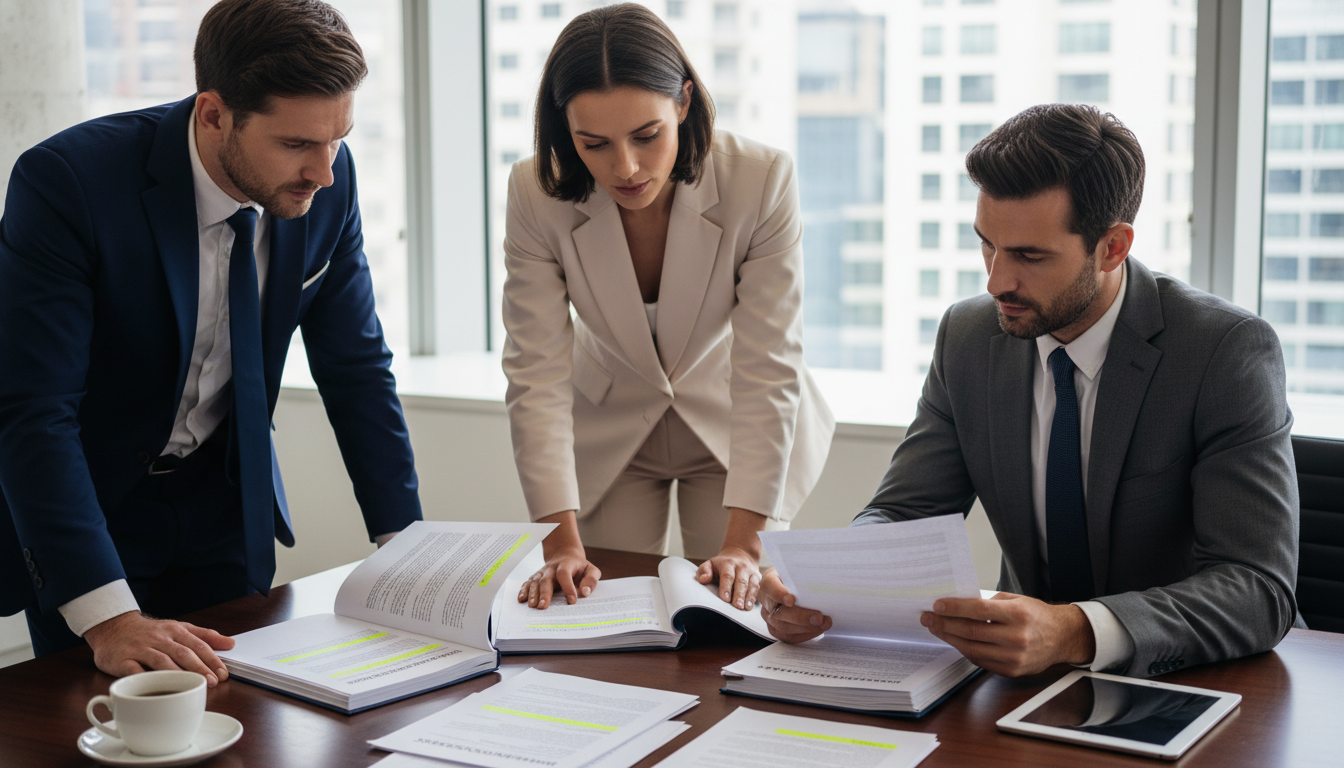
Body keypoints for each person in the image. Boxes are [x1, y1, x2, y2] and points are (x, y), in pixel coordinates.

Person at [760, 104, 1301, 678]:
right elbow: (905, 512)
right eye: (987, 244)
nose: (996, 281)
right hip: (1019, 680)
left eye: (1029, 255)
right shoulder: (968, 336)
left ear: (1113, 247)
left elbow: (1257, 588)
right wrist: (822, 584)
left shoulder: (1223, 351)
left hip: (1191, 679)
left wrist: (1076, 631)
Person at [0, 0, 422, 685]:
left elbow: (358, 371)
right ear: (214, 114)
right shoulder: (69, 185)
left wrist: (406, 548)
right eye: (296, 144)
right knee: (101, 718)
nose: (324, 172)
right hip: (94, 512)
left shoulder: (326, 187)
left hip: (225, 505)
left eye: (337, 140)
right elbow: (33, 409)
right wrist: (109, 619)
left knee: (248, 710)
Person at [503, 3, 834, 614]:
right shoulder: (534, 191)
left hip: (736, 420)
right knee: (594, 608)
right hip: (609, 425)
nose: (625, 167)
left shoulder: (761, 180)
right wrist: (559, 544)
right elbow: (535, 374)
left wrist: (745, 546)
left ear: (683, 102)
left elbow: (769, 365)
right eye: (594, 143)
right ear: (563, 127)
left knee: (737, 611)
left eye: (646, 136)